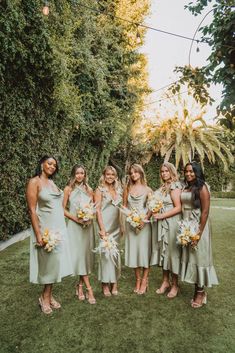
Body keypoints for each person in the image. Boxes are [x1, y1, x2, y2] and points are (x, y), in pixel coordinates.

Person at [26, 155, 72, 314]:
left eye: (54, 165)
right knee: (48, 264)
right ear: (42, 164)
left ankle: (48, 295)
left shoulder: (52, 183)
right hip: (45, 229)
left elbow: (58, 207)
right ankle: (44, 298)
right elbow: (32, 210)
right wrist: (38, 234)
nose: (52, 166)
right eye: (49, 163)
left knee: (55, 263)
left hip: (58, 228)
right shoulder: (34, 182)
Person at [180, 162, 218, 308]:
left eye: (191, 171)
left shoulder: (202, 188)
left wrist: (198, 234)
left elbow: (205, 212)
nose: (188, 174)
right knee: (193, 259)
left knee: (200, 258)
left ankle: (200, 292)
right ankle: (198, 289)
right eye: (186, 171)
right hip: (186, 226)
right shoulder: (187, 186)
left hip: (198, 227)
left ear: (197, 172)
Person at [63, 165, 96, 304]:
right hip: (75, 227)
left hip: (87, 227)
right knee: (79, 256)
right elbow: (62, 209)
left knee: (85, 256)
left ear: (85, 174)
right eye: (77, 173)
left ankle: (80, 286)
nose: (80, 175)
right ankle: (89, 289)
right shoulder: (68, 189)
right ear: (73, 174)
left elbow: (94, 208)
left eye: (82, 173)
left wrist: (89, 217)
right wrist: (76, 219)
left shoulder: (89, 189)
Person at [150, 162, 182, 298]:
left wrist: (161, 215)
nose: (164, 174)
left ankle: (175, 284)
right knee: (163, 251)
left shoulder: (175, 186)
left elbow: (178, 207)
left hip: (172, 223)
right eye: (162, 171)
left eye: (166, 171)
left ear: (172, 172)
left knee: (172, 252)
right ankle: (165, 282)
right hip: (161, 223)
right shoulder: (163, 187)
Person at [123, 164, 152, 295]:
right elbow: (124, 206)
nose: (133, 175)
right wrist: (130, 218)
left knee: (144, 252)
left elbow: (151, 208)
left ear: (141, 173)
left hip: (144, 225)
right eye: (131, 173)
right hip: (131, 224)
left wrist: (144, 220)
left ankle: (145, 280)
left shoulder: (148, 189)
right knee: (134, 252)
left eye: (136, 172)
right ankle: (138, 280)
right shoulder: (127, 188)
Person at [94, 166, 122, 296]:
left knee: (115, 254)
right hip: (105, 225)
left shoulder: (118, 190)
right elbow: (98, 210)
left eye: (112, 174)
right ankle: (105, 284)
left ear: (115, 176)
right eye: (108, 174)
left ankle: (115, 283)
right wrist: (102, 228)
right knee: (105, 254)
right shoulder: (99, 190)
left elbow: (122, 208)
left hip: (116, 226)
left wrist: (122, 226)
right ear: (104, 175)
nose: (110, 176)